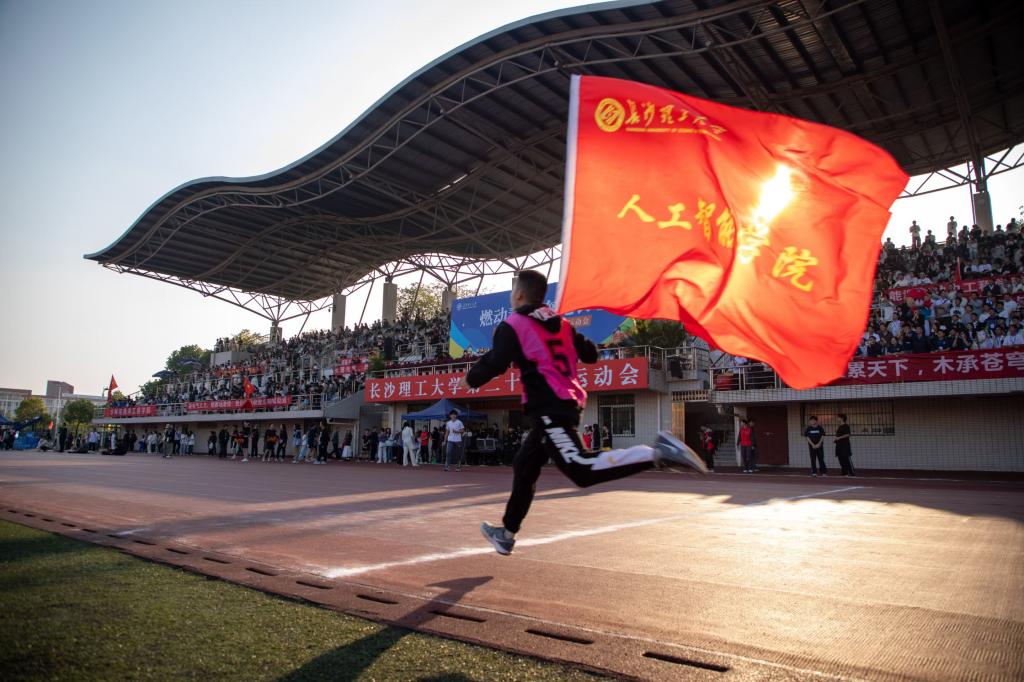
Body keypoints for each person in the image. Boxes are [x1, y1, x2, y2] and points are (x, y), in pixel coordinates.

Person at [462, 270, 706, 556]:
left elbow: (495, 362)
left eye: (512, 290)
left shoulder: (513, 324)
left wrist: (471, 378)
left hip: (549, 407)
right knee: (524, 466)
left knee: (580, 469)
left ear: (518, 294)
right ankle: (506, 533)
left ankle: (656, 453)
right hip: (566, 402)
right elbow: (590, 354)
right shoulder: (562, 324)